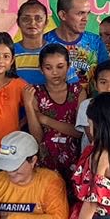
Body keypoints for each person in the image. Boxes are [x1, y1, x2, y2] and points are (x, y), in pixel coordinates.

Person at [31, 43, 78, 176]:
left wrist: (45, 119)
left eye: (60, 66)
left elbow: (78, 132)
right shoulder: (35, 93)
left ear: (68, 66)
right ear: (41, 69)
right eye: (48, 68)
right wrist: (28, 106)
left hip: (74, 160)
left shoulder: (78, 92)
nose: (55, 72)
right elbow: (37, 137)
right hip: (45, 160)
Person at [46, 0, 106, 90]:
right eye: (80, 13)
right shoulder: (45, 42)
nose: (85, 19)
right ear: (63, 15)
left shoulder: (97, 42)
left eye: (87, 13)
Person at [12, 0, 51, 85]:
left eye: (38, 18)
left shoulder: (56, 52)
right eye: (26, 19)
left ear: (46, 23)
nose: (32, 23)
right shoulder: (9, 53)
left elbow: (72, 86)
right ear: (18, 22)